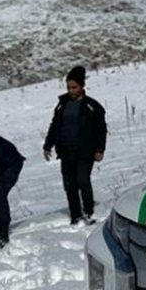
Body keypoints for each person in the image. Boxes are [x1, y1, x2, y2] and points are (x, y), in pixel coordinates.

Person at [42, 65, 107, 225]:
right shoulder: (61, 105)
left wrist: (100, 149)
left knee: (83, 180)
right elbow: (55, 125)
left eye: (74, 87)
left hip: (85, 150)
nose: (71, 90)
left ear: (82, 86)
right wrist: (48, 145)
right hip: (66, 150)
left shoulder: (92, 106)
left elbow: (101, 130)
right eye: (69, 87)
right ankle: (75, 215)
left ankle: (89, 211)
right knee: (69, 185)